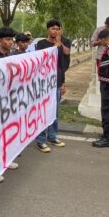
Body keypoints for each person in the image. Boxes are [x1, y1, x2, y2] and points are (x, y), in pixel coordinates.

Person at [34, 20, 71, 152]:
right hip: (44, 83)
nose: (55, 31)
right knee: (43, 111)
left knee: (54, 111)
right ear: (47, 30)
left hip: (57, 82)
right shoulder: (41, 44)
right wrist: (54, 47)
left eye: (57, 29)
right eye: (53, 28)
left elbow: (62, 63)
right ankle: (40, 140)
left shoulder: (61, 44)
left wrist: (63, 82)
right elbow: (41, 61)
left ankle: (52, 136)